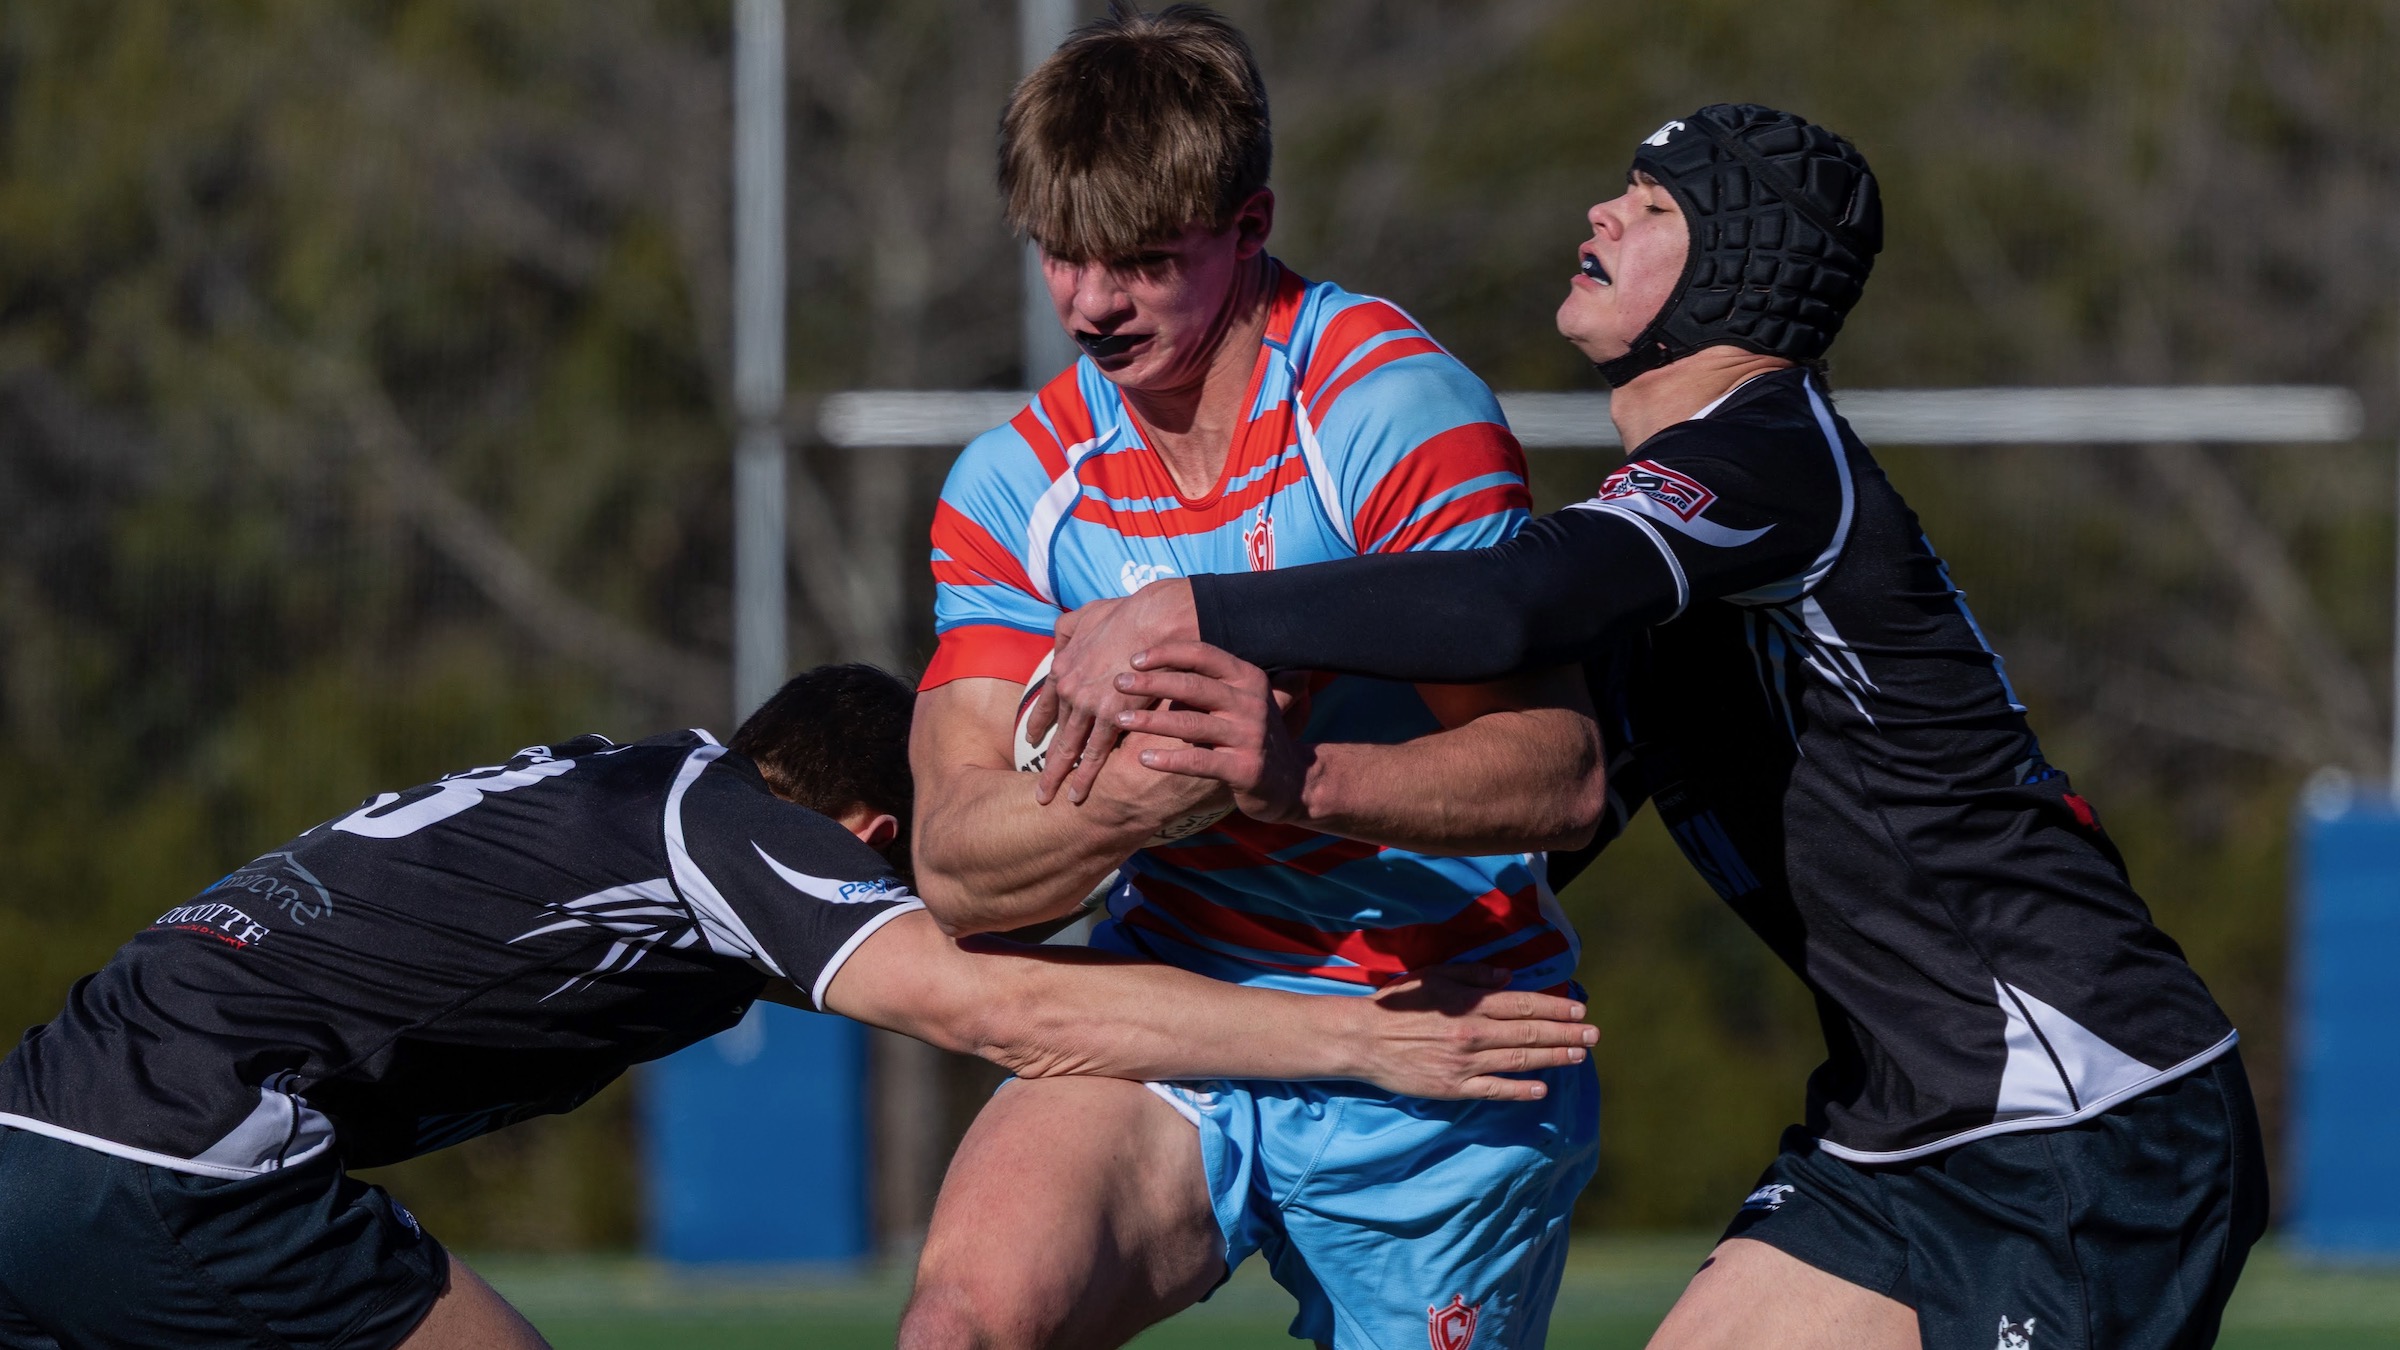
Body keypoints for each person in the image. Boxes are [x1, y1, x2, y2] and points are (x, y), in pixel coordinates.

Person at [1039, 104, 2267, 1350]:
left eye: (1655, 205)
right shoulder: (1683, 537)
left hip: (2087, 1115)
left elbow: (1513, 601)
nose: (1602, 213)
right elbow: (1556, 802)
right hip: (1906, 1118)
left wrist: (1192, 605)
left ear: (1737, 266)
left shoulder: (1768, 454)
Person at [0, 663, 1595, 1350]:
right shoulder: (729, 833)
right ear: (874, 838)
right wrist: (1357, 1031)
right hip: (196, 1162)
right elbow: (994, 1010)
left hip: (35, 1123)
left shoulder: (620, 787)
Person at [901, 7, 1608, 1348]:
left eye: (1143, 262)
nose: (1093, 304)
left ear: (1250, 222)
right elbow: (958, 861)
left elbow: (1563, 776)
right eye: (1061, 256)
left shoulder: (1384, 407)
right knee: (962, 1327)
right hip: (1175, 1002)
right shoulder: (1014, 485)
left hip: (1441, 1016)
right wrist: (1143, 798)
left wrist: (1295, 776)